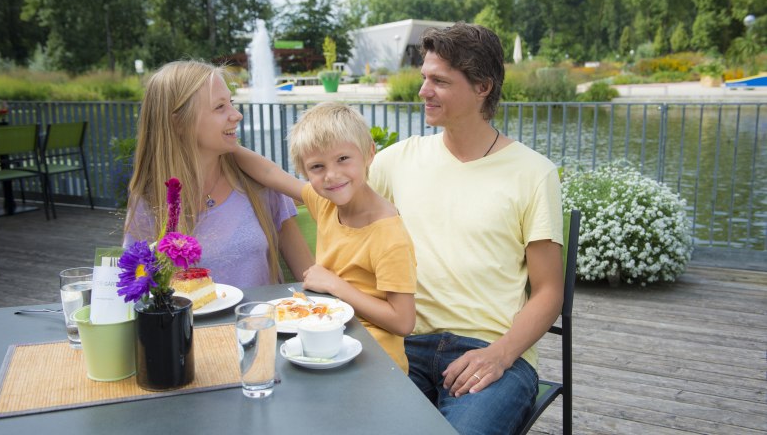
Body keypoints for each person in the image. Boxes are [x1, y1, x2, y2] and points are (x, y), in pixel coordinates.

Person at [368, 23, 564, 435]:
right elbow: (328, 201)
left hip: (492, 353)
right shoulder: (395, 161)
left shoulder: (533, 174)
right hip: (402, 344)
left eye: (439, 81)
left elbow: (549, 291)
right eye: (424, 77)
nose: (423, 91)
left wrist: (502, 354)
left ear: (482, 87)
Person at [234, 102, 416, 372]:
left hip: (375, 362)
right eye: (317, 166)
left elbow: (403, 321)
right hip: (326, 343)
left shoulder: (388, 234)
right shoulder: (326, 203)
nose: (332, 175)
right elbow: (270, 173)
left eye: (343, 159)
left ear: (369, 153)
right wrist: (226, 144)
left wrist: (335, 285)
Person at [123, 60, 313, 289]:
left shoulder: (258, 184)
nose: (237, 115)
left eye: (231, 103)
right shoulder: (149, 201)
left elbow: (309, 274)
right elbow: (137, 289)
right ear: (179, 122)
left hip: (263, 323)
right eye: (220, 107)